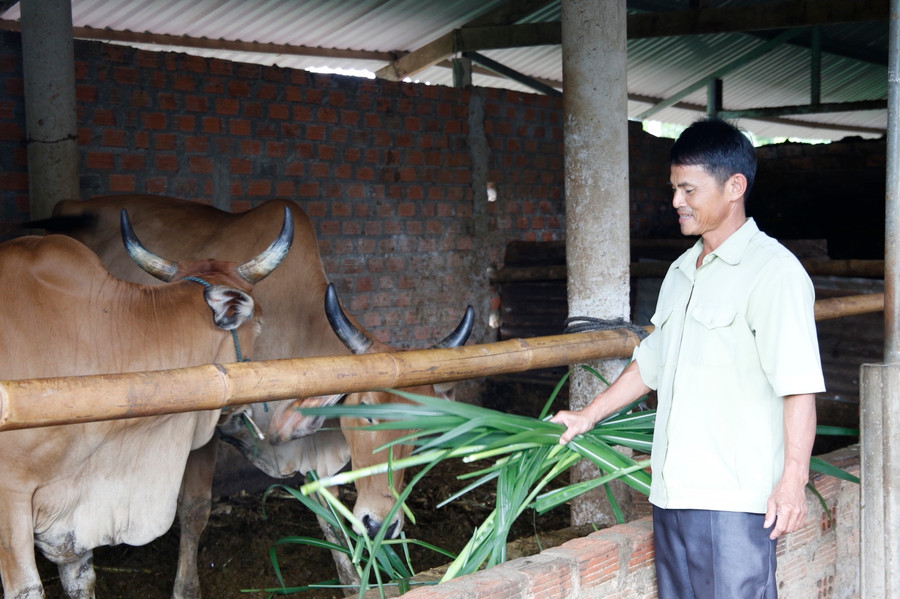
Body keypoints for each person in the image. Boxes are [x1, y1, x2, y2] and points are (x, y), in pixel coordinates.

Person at [551, 117, 825, 598]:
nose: (676, 201)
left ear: (735, 186)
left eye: (689, 190)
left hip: (733, 503)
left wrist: (793, 480)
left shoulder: (774, 272)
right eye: (674, 188)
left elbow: (799, 386)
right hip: (672, 494)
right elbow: (650, 363)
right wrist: (588, 415)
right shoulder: (682, 271)